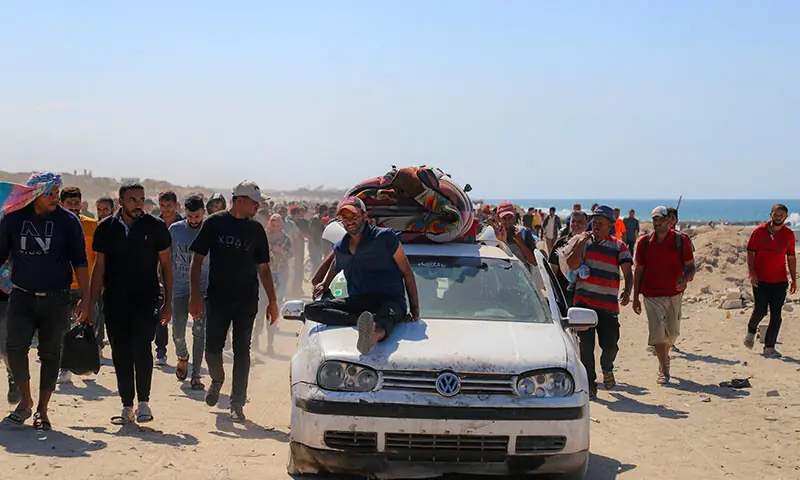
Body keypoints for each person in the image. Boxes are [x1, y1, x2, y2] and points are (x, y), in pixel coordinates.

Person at [0, 172, 89, 430]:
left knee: (50, 354)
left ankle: (42, 410)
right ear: (36, 193)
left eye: (57, 192)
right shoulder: (14, 219)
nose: (55, 197)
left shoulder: (68, 221)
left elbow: (80, 262)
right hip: (21, 295)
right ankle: (25, 402)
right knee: (14, 348)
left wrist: (86, 297)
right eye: (50, 192)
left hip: (57, 298)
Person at [189, 181, 278, 423]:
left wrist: (272, 301)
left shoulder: (257, 229)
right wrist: (194, 297)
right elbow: (197, 260)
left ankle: (237, 402)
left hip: (247, 299)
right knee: (212, 349)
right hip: (217, 297)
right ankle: (217, 379)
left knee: (242, 352)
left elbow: (264, 268)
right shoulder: (214, 223)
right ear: (239, 200)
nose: (258, 206)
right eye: (254, 201)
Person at [89, 182, 173, 425]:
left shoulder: (155, 227)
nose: (138, 204)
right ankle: (127, 405)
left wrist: (168, 302)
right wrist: (90, 301)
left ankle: (144, 403)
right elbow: (99, 266)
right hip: (115, 299)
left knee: (141, 346)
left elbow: (166, 265)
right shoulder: (106, 228)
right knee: (120, 352)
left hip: (147, 297)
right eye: (133, 200)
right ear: (121, 202)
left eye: (141, 199)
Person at [305, 197, 420, 354]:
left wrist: (415, 310)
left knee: (387, 315)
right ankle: (360, 322)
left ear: (365, 216)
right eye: (345, 218)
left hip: (390, 301)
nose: (350, 221)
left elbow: (406, 272)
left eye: (354, 216)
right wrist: (325, 284)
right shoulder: (341, 246)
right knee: (311, 310)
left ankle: (375, 333)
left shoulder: (385, 238)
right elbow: (336, 264)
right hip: (359, 304)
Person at [567, 205, 633, 398]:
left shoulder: (618, 246)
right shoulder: (583, 243)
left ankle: (607, 367)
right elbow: (572, 265)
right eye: (593, 222)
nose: (595, 225)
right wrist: (580, 244)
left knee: (610, 344)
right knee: (585, 347)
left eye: (600, 223)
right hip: (583, 302)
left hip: (607, 305)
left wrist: (627, 291)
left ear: (610, 226)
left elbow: (628, 273)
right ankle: (590, 385)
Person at [632, 207, 695, 384]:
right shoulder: (644, 243)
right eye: (654, 219)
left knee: (672, 333)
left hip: (674, 293)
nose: (657, 222)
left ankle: (665, 355)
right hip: (651, 294)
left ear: (669, 220)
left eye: (661, 218)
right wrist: (635, 297)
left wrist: (685, 279)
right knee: (657, 332)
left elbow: (691, 266)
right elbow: (639, 270)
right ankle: (664, 368)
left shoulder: (680, 240)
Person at [56, 186, 98, 384]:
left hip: (85, 285)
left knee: (86, 326)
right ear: (61, 204)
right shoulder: (55, 224)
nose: (73, 207)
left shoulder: (91, 226)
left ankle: (86, 364)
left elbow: (97, 257)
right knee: (63, 329)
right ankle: (64, 368)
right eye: (69, 203)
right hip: (61, 284)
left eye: (76, 203)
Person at [743, 204, 797, 358]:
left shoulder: (788, 234)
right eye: (776, 214)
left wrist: (794, 279)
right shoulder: (759, 232)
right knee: (760, 310)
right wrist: (752, 273)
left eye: (781, 215)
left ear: (786, 217)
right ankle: (751, 331)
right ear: (771, 214)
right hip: (761, 280)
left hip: (780, 281)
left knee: (776, 315)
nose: (778, 217)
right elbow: (750, 253)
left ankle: (769, 347)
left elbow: (791, 257)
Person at [169, 195, 209, 390]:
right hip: (179, 287)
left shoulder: (209, 229)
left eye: (197, 216)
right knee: (177, 330)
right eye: (190, 216)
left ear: (204, 212)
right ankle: (182, 355)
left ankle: (196, 374)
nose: (194, 220)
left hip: (203, 288)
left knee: (199, 331)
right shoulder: (175, 230)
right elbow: (166, 258)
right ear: (185, 212)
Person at [255, 214, 293, 355]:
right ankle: (256, 339)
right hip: (262, 276)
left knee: (274, 308)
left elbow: (291, 255)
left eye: (278, 225)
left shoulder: (285, 239)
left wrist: (282, 251)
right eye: (273, 225)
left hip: (279, 276)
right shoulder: (262, 236)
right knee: (259, 310)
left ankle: (270, 344)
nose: (275, 228)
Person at [153, 190, 183, 366]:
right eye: (162, 206)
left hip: (181, 273)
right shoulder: (155, 223)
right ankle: (161, 350)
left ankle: (182, 351)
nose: (165, 209)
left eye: (169, 206)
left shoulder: (183, 224)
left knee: (179, 316)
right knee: (161, 311)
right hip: (159, 273)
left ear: (175, 205)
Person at [549, 210, 590, 307]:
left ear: (586, 224)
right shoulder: (561, 243)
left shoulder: (592, 244)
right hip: (564, 292)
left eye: (580, 222)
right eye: (573, 221)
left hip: (586, 293)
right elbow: (553, 270)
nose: (576, 224)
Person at [490, 202, 538, 270]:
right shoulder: (492, 234)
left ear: (514, 217)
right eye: (504, 218)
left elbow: (534, 262)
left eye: (510, 218)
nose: (507, 221)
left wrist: (520, 242)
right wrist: (501, 241)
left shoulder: (523, 233)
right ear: (498, 218)